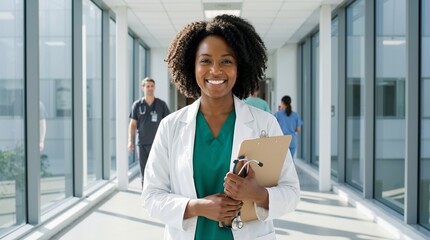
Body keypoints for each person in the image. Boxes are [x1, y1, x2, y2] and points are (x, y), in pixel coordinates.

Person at [142, 15, 300, 240]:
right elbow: (151, 197)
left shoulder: (264, 123)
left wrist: (259, 194)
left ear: (240, 66)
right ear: (192, 66)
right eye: (205, 61)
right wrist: (196, 207)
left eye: (226, 61)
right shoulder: (171, 126)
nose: (215, 70)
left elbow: (291, 193)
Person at [128, 77, 170, 186]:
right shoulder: (137, 105)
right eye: (147, 86)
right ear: (143, 88)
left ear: (154, 87)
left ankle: (157, 196)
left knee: (158, 172)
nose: (150, 88)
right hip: (142, 143)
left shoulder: (161, 105)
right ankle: (146, 199)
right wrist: (130, 141)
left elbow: (168, 125)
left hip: (158, 144)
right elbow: (132, 124)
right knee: (144, 172)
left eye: (152, 86)